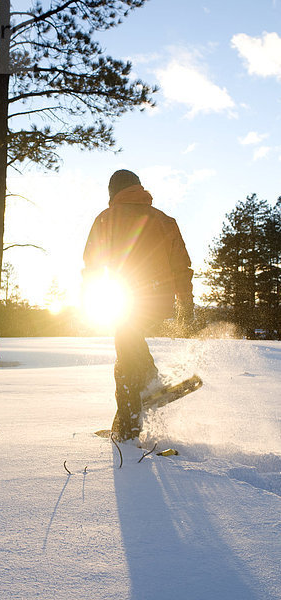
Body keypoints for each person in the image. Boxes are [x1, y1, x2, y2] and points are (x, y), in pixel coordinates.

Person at [83, 169, 193, 441]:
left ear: (113, 192)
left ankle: (129, 427)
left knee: (125, 357)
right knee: (128, 349)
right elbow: (182, 267)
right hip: (158, 301)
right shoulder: (165, 220)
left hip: (125, 299)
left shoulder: (107, 218)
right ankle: (147, 391)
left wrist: (90, 299)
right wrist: (185, 305)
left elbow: (93, 264)